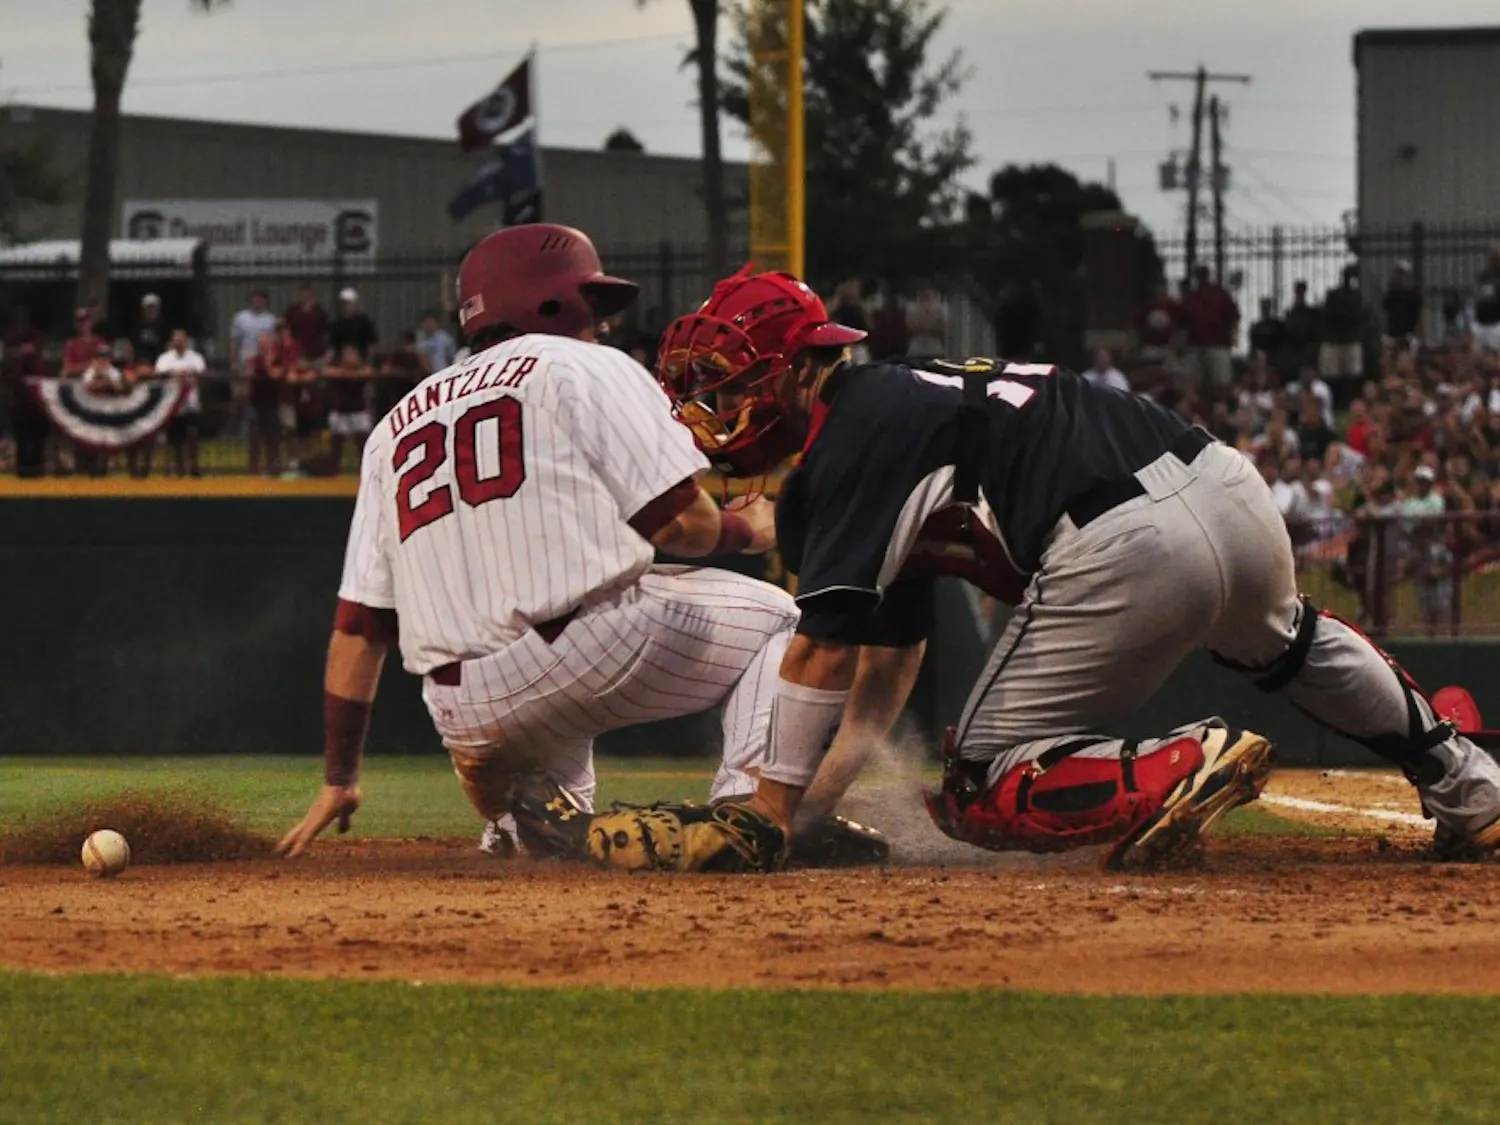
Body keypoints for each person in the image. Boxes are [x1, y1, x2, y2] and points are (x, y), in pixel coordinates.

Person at [524, 265, 1500, 873]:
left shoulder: (850, 439)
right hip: (1228, 488)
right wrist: (803, 820)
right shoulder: (893, 412)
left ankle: (1176, 764)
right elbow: (877, 689)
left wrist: (762, 816)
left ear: (790, 367)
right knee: (1292, 647)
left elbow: (819, 659)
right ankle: (1469, 784)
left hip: (1120, 540)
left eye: (720, 382)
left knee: (981, 783)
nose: (702, 407)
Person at [274, 225, 885, 870]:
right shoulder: (580, 364)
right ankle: (746, 817)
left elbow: (359, 628)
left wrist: (340, 776)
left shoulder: (392, 427)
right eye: (591, 306)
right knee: (781, 619)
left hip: (463, 711)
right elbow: (680, 527)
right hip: (581, 652)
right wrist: (751, 527)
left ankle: (518, 828)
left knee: (565, 847)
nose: (602, 324)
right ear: (548, 303)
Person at [156, 329, 205, 477]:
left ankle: (194, 466)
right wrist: (176, 374)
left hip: (190, 403)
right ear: (172, 342)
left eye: (181, 340)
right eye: (176, 340)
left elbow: (200, 372)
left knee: (192, 433)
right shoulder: (164, 358)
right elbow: (159, 374)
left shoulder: (196, 358)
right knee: (175, 438)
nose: (179, 343)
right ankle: (179, 469)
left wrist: (184, 375)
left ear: (186, 341)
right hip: (172, 404)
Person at [323, 344, 374, 470]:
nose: (350, 357)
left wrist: (350, 374)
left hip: (358, 411)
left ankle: (365, 469)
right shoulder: (336, 370)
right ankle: (334, 467)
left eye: (353, 355)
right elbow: (326, 371)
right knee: (337, 442)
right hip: (341, 411)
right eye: (348, 355)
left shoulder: (362, 370)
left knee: (362, 441)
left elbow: (369, 372)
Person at [329, 288, 377, 361]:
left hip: (362, 362)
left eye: (352, 302)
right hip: (342, 363)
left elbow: (372, 345)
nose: (350, 305)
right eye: (347, 302)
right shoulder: (337, 324)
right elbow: (332, 347)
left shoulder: (364, 322)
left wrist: (369, 362)